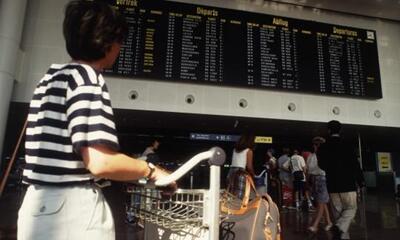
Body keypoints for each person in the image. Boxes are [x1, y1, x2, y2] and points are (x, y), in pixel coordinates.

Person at [17, 1, 175, 239]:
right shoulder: (88, 79)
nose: (120, 49)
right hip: (71, 211)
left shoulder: (48, 80)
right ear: (108, 43)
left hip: (35, 207)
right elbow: (100, 162)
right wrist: (152, 171)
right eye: (120, 42)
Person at [318, 120, 365, 240]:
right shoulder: (347, 145)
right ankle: (338, 227)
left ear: (328, 131)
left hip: (333, 185)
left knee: (338, 214)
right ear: (340, 130)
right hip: (348, 184)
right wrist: (361, 181)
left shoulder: (323, 147)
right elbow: (355, 164)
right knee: (351, 209)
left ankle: (341, 232)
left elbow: (321, 165)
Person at [307, 137, 333, 233]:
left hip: (322, 179)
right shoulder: (311, 156)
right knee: (322, 202)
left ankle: (315, 225)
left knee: (320, 203)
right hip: (314, 179)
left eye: (319, 144)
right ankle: (329, 222)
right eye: (315, 144)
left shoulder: (326, 155)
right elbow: (308, 170)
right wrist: (308, 182)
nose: (316, 146)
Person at [226, 133, 256, 199]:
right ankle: (238, 208)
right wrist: (253, 174)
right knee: (239, 195)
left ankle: (229, 208)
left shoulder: (235, 150)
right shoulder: (249, 151)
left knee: (230, 193)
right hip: (241, 173)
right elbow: (249, 166)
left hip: (231, 172)